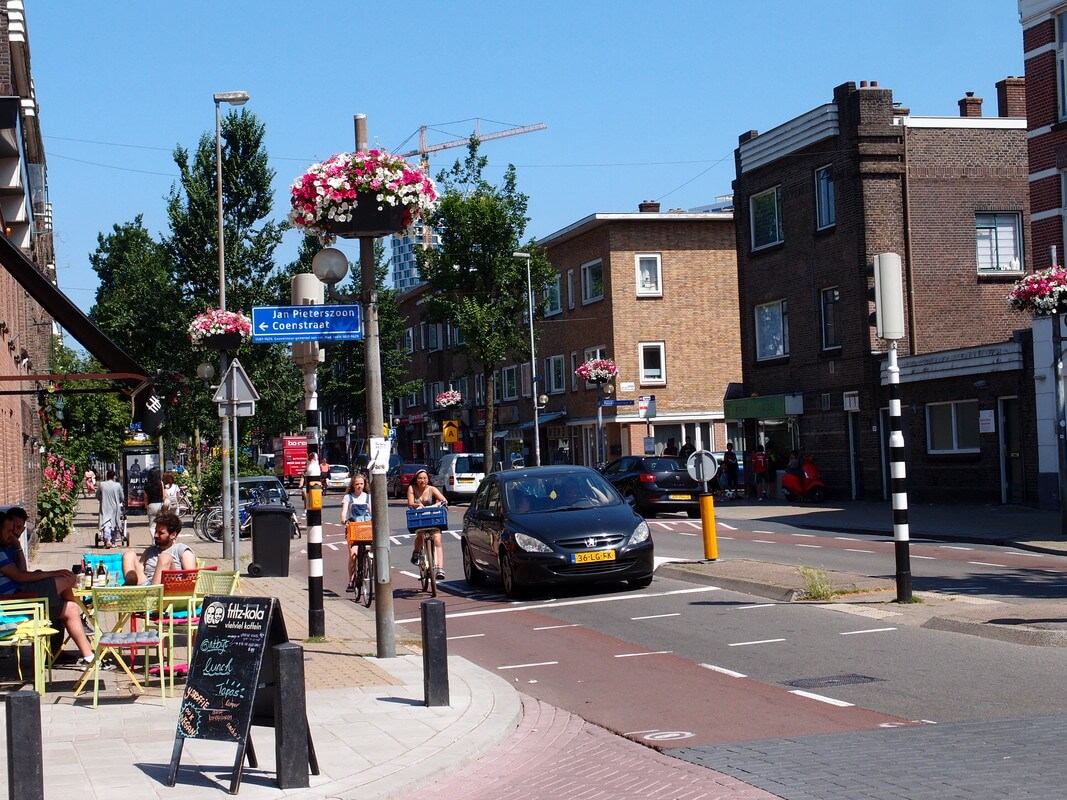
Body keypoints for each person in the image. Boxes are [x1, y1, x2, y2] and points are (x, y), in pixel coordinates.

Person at [0, 508, 101, 668]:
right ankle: (83, 617)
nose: (12, 534)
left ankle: (90, 657)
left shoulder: (8, 547)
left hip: (23, 595)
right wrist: (52, 573)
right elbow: (20, 576)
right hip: (16, 600)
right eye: (9, 530)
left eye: (16, 529)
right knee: (68, 578)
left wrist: (18, 547)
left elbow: (23, 572)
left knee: (71, 608)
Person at [121, 512, 195, 586]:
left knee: (165, 558)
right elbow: (139, 569)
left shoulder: (182, 550)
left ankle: (154, 592)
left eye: (161, 533)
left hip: (169, 587)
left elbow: (191, 577)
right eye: (156, 531)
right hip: (146, 585)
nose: (155, 535)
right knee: (129, 554)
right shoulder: (150, 550)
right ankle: (129, 586)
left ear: (173, 535)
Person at [406, 468, 447, 581]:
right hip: (419, 519)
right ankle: (416, 553)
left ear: (428, 479)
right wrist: (417, 505)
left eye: (424, 478)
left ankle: (440, 569)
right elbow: (410, 502)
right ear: (416, 479)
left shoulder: (432, 489)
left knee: (437, 540)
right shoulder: (412, 488)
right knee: (420, 535)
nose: (422, 480)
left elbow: (444, 500)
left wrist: (440, 503)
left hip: (432, 519)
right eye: (420, 478)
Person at [341, 474, 372, 593]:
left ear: (364, 485)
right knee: (353, 554)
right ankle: (351, 580)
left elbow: (372, 512)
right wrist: (344, 520)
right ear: (353, 485)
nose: (359, 486)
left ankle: (370, 566)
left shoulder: (368, 498)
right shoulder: (348, 498)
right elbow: (344, 513)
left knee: (373, 548)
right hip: (353, 528)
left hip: (365, 528)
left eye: (361, 484)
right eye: (357, 484)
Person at [96, 469, 125, 549]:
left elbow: (97, 495)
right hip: (115, 507)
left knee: (106, 524)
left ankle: (107, 540)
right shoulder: (118, 485)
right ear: (114, 477)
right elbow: (122, 497)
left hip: (104, 506)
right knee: (114, 524)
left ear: (106, 476)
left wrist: (101, 500)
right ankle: (113, 541)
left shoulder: (102, 485)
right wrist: (119, 501)